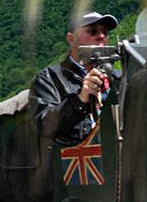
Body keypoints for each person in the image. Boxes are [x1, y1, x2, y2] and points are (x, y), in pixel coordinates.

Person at [31, 10, 118, 147]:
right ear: (71, 39)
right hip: (75, 161)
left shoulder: (117, 78)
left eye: (105, 32)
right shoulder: (50, 78)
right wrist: (80, 100)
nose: (101, 36)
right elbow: (43, 126)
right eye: (92, 31)